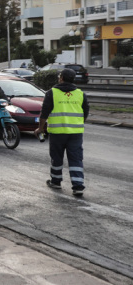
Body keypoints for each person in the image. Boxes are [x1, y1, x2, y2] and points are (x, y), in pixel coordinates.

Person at [35, 68, 89, 197]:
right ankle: (78, 187)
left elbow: (44, 113)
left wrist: (40, 128)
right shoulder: (80, 94)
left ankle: (56, 182)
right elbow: (85, 113)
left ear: (61, 78)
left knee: (57, 158)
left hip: (57, 132)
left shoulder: (52, 93)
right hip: (75, 133)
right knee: (76, 159)